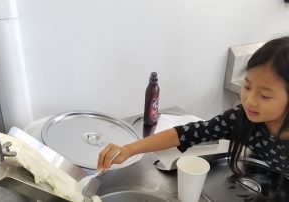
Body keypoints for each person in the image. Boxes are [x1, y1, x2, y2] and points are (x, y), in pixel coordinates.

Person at [97, 36, 289, 200]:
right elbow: (189, 133)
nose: (250, 101)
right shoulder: (242, 119)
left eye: (265, 96)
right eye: (247, 87)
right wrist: (129, 149)